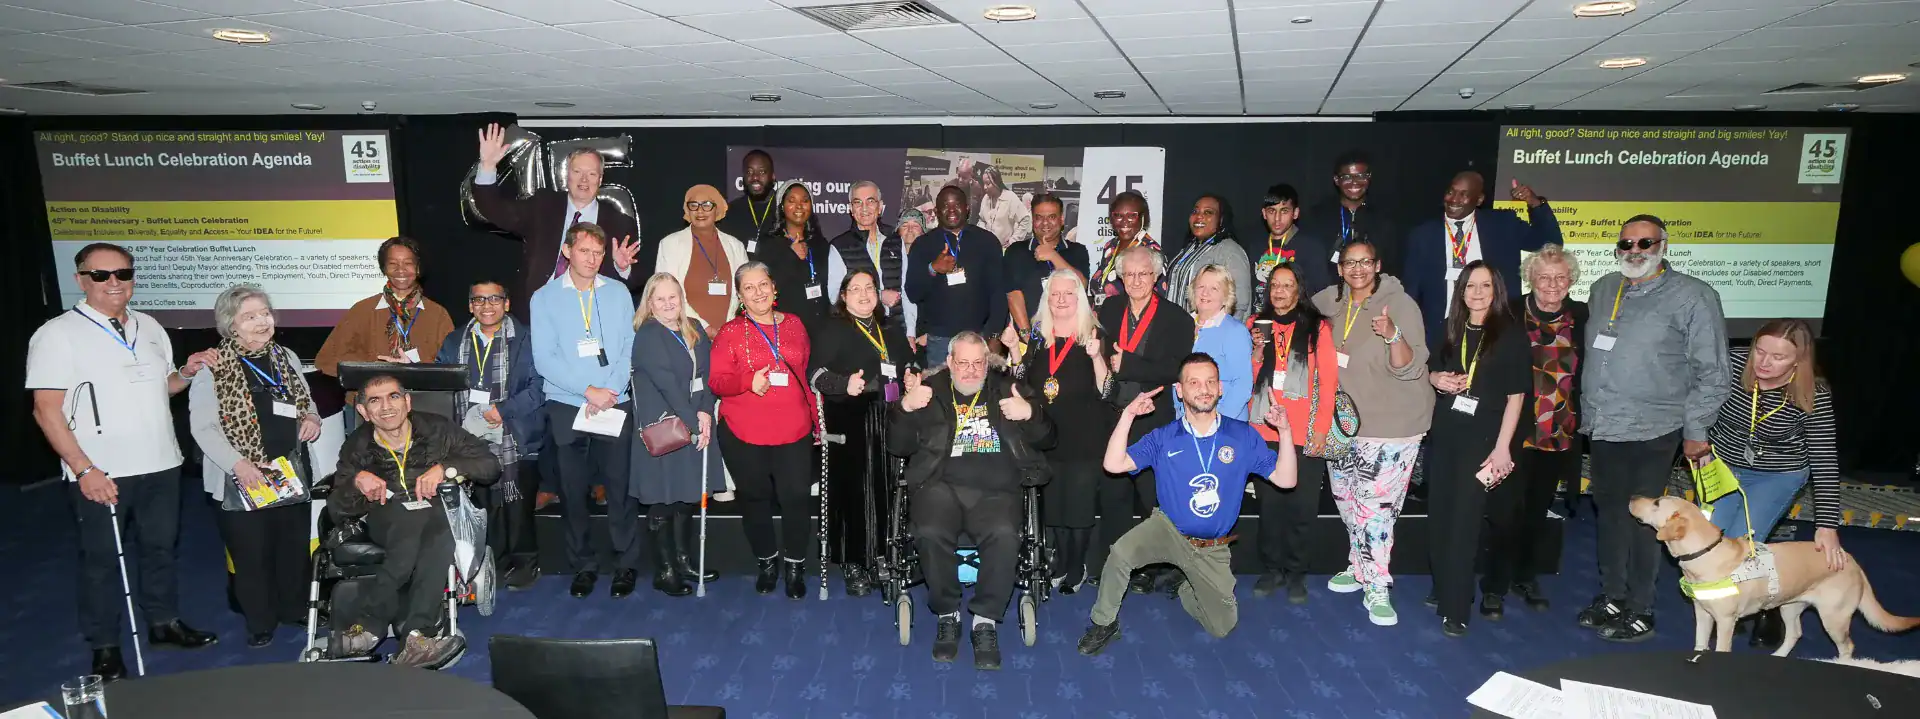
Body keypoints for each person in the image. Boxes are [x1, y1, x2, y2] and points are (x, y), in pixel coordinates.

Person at [28, 242, 220, 679]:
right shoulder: (57, 334)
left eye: (123, 274)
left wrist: (186, 374)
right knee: (101, 559)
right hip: (102, 470)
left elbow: (163, 386)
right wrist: (84, 469)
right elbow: (46, 410)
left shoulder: (149, 326)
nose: (114, 283)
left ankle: (163, 622)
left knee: (160, 548)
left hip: (160, 461)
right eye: (101, 275)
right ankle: (105, 646)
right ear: (81, 280)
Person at [1077, 354, 1296, 655]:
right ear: (1180, 390)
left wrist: (1285, 433)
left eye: (1210, 382)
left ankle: (1187, 586)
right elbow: (1114, 464)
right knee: (1120, 552)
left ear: (1220, 388)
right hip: (1167, 528)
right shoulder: (1164, 437)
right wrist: (1127, 415)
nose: (1203, 389)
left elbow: (1286, 480)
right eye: (1194, 382)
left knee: (1222, 627)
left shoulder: (1242, 435)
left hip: (1213, 546)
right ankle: (1104, 622)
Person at [1578, 214, 1729, 642]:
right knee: (1609, 515)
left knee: (1648, 522)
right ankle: (1612, 595)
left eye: (1645, 243)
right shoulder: (1604, 287)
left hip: (1655, 429)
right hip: (1604, 426)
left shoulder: (1694, 296)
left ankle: (1641, 607)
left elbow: (1714, 372)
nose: (1635, 251)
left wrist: (1697, 429)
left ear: (1663, 245)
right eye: (1626, 244)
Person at [890, 332, 1055, 670]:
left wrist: (1030, 414)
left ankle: (985, 621)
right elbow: (898, 446)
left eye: (977, 363)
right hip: (940, 486)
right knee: (930, 529)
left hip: (996, 490)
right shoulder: (931, 390)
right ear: (949, 362)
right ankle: (947, 612)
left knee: (1005, 533)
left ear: (987, 362)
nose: (969, 370)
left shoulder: (1008, 387)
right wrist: (905, 407)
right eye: (962, 363)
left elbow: (1050, 437)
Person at [326, 374, 501, 669]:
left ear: (407, 402)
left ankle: (378, 629)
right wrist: (357, 483)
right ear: (363, 411)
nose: (386, 407)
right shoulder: (356, 446)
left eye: (393, 397)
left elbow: (489, 466)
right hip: (387, 514)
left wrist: (445, 469)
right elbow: (337, 508)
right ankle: (416, 635)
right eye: (375, 400)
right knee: (414, 523)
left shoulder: (437, 429)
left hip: (437, 509)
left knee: (442, 528)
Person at [189, 285, 322, 648]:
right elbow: (203, 428)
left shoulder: (286, 357)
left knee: (292, 546)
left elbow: (305, 399)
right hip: (241, 475)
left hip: (288, 471)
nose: (263, 321)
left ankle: (293, 609)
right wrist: (238, 464)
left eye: (265, 312)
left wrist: (311, 417)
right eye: (251, 316)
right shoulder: (211, 368)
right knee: (251, 552)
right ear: (231, 325)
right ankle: (260, 622)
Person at [1309, 238, 1430, 627]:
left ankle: (1377, 584)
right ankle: (1358, 565)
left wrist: (1393, 335)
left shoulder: (1400, 304)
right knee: (1347, 502)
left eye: (1365, 262)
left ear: (1377, 265)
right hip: (1344, 426)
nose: (1357, 269)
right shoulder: (1330, 302)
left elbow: (1409, 367)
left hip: (1392, 425)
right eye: (1349, 263)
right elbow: (1296, 318)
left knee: (1376, 511)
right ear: (1339, 267)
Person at [1704, 318, 1843, 648]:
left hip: (1778, 473)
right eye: (1760, 351)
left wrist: (1826, 525)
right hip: (1722, 465)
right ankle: (1721, 606)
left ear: (1799, 360)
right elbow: (1695, 403)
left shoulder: (1814, 394)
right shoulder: (1732, 363)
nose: (1764, 363)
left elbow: (1825, 459)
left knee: (1742, 545)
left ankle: (1765, 608)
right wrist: (1699, 442)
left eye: (1778, 357)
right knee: (1709, 542)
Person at [531, 222, 643, 599]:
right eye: (584, 251)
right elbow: (544, 359)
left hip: (614, 401)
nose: (593, 260)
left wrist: (609, 391)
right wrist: (587, 390)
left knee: (620, 488)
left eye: (598, 253)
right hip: (567, 405)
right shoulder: (543, 298)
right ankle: (583, 565)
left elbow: (630, 346)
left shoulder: (617, 292)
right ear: (567, 252)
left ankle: (625, 564)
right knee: (573, 491)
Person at [1424, 261, 1529, 637]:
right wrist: (1437, 378)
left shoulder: (1511, 335)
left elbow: (1517, 397)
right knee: (1440, 516)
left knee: (1465, 523)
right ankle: (1443, 587)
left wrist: (1503, 449)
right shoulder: (1449, 327)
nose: (1478, 292)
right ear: (1462, 290)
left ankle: (1458, 607)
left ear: (1496, 290)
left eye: (1485, 286)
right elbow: (1429, 370)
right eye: (1471, 285)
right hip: (1446, 435)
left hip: (1484, 440)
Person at [1484, 245, 1587, 615]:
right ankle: (1494, 584)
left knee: (1538, 510)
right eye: (1544, 276)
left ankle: (1525, 576)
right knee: (1505, 510)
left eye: (1560, 277)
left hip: (1558, 430)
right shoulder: (1508, 312)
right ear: (1530, 278)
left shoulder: (1582, 316)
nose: (1552, 284)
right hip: (1514, 430)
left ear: (1571, 280)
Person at [711, 262, 818, 599]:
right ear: (740, 296)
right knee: (755, 500)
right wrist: (747, 381)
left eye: (763, 285)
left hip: (794, 430)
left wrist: (815, 418)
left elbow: (802, 374)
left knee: (796, 500)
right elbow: (717, 381)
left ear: (774, 287)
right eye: (749, 288)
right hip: (745, 433)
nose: (758, 292)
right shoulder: (730, 332)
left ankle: (795, 566)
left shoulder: (796, 325)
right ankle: (767, 563)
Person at [433, 280, 547, 591]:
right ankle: (493, 561)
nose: (487, 305)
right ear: (470, 306)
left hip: (516, 435)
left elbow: (540, 387)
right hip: (470, 437)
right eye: (479, 300)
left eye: (494, 299)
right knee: (484, 503)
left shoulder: (527, 340)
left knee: (518, 502)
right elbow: (442, 380)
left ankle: (525, 562)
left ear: (506, 303)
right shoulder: (455, 341)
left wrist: (504, 409)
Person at [1094, 245, 1196, 595]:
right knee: (1113, 496)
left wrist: (1131, 365)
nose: (1136, 280)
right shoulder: (1108, 308)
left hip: (1153, 421)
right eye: (1129, 274)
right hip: (1113, 418)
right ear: (1120, 278)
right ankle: (1116, 563)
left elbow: (1177, 369)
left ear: (1156, 277)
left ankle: (1152, 568)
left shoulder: (1177, 318)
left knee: (1152, 499)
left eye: (1143, 274)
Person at [1003, 269, 1111, 593]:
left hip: (1084, 439)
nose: (1061, 300)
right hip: (1046, 438)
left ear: (1079, 299)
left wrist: (1096, 358)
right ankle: (1061, 563)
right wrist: (1012, 350)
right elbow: (1021, 382)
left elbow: (1107, 391)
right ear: (1046, 299)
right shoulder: (1038, 336)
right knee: (1055, 511)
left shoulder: (1093, 335)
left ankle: (1076, 566)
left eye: (1068, 294)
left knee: (1078, 511)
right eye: (1055, 294)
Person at [810, 270, 916, 597]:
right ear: (843, 296)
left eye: (869, 287)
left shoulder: (891, 329)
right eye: (855, 289)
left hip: (891, 416)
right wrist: (844, 384)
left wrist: (912, 374)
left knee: (889, 488)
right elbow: (815, 375)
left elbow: (911, 363)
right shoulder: (833, 328)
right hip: (851, 418)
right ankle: (853, 561)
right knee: (854, 492)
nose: (864, 294)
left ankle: (885, 555)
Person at [628, 273, 726, 597]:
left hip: (694, 420)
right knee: (662, 500)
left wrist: (705, 411)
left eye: (674, 297)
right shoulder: (648, 335)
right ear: (650, 304)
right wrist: (696, 421)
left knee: (686, 497)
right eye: (661, 299)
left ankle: (684, 561)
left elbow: (707, 376)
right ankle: (665, 569)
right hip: (665, 429)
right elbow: (667, 386)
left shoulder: (694, 328)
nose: (669, 304)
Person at [474, 123, 643, 308]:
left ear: (600, 179)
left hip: (593, 314)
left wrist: (623, 268)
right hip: (538, 312)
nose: (584, 180)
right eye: (577, 172)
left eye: (592, 174)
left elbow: (635, 281)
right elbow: (496, 211)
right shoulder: (543, 206)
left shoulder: (619, 223)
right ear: (566, 175)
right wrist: (487, 167)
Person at [1248, 263, 1339, 603]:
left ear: (1299, 290)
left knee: (1302, 508)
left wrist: (1320, 430)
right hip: (1264, 430)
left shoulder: (1317, 327)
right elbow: (1251, 376)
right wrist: (1256, 352)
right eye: (1275, 285)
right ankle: (1272, 569)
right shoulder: (1256, 326)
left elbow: (1328, 382)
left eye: (1287, 285)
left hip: (1303, 432)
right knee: (1270, 508)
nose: (1280, 291)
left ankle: (1297, 572)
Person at [1401, 171, 1562, 345]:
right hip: (1442, 334)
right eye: (1450, 192)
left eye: (1464, 194)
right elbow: (1412, 291)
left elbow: (1551, 243)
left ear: (1479, 200)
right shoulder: (1423, 235)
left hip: (1497, 332)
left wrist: (1535, 203)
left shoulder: (1502, 225)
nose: (1454, 199)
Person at [316, 236, 457, 412]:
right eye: (393, 264)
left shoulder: (438, 314)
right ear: (384, 268)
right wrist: (376, 368)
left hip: (423, 405)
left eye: (408, 263)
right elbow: (326, 359)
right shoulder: (362, 310)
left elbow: (451, 368)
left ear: (418, 267)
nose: (401, 270)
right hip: (370, 407)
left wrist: (415, 368)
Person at [906, 185, 1007, 365]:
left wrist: (994, 335)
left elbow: (998, 293)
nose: (951, 210)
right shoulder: (923, 244)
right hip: (939, 340)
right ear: (936, 211)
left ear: (967, 207)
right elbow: (913, 293)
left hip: (979, 336)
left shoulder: (987, 241)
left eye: (957, 204)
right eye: (945, 205)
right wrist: (933, 268)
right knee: (939, 390)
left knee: (978, 391)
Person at [654, 184, 750, 329]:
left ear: (717, 208)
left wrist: (728, 330)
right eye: (694, 205)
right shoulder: (670, 245)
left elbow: (746, 292)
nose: (700, 211)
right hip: (687, 332)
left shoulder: (736, 246)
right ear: (687, 210)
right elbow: (665, 295)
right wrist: (703, 328)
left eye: (707, 205)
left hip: (731, 334)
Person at [1001, 193, 1090, 345]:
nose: (1045, 223)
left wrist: (1053, 256)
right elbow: (1013, 295)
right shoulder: (1016, 251)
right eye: (1039, 217)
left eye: (1051, 217)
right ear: (1033, 220)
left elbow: (1081, 285)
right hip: (1029, 339)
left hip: (1071, 339)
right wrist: (1027, 337)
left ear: (1061, 220)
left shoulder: (1077, 251)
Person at [826, 181, 911, 333]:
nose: (864, 208)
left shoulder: (895, 240)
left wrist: (910, 332)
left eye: (870, 201)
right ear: (851, 209)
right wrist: (878, 295)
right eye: (858, 203)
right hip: (858, 331)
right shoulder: (839, 245)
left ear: (880, 207)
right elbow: (835, 295)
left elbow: (906, 290)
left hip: (897, 330)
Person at [1303, 150, 1401, 276]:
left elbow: (1391, 266)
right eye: (1347, 177)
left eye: (1361, 176)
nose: (1354, 182)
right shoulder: (1318, 216)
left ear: (1369, 177)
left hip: (1372, 293)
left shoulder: (1383, 219)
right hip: (1327, 292)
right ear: (1336, 180)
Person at [763, 180, 833, 334]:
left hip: (820, 329)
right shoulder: (769, 245)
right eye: (792, 201)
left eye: (805, 200)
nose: (799, 206)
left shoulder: (820, 244)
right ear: (782, 206)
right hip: (786, 330)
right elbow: (767, 287)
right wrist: (789, 255)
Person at [1249, 183, 1333, 308]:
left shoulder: (1311, 248)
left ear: (1295, 213)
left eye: (1284, 211)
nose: (1277, 218)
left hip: (1297, 322)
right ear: (1264, 214)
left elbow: (1321, 294)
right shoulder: (1255, 246)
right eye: (1272, 211)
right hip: (1262, 321)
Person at [1166, 195, 1252, 318]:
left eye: (1208, 212)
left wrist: (1227, 335)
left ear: (1221, 219)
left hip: (1211, 333)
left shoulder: (1231, 252)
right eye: (1195, 211)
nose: (1199, 216)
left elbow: (1240, 306)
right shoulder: (1189, 248)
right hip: (1179, 330)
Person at [1188, 265, 1253, 421]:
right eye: (1201, 286)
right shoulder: (1182, 325)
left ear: (1226, 296)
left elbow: (1242, 385)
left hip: (1224, 423)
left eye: (1214, 289)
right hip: (1187, 421)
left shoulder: (1235, 331)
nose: (1205, 293)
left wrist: (1216, 421)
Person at [1090, 190, 1164, 300]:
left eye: (1131, 216)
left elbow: (1157, 300)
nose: (1124, 222)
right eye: (1118, 215)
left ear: (1143, 218)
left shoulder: (1151, 251)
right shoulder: (1110, 246)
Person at [722, 149, 780, 253]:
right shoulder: (731, 212)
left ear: (773, 177)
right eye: (749, 172)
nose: (755, 177)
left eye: (762, 172)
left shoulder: (785, 209)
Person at [896, 207, 931, 354]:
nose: (910, 230)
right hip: (896, 333)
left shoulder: (935, 262)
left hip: (926, 336)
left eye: (915, 225)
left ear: (923, 231)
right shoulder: (887, 260)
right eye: (905, 225)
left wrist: (932, 334)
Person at [976, 165, 1033, 249]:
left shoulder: (1010, 197)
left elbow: (1025, 219)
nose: (984, 187)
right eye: (983, 183)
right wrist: (983, 232)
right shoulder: (985, 198)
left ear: (996, 182)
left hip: (1004, 249)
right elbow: (981, 220)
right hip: (987, 248)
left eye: (988, 184)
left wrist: (1014, 240)